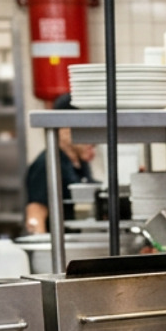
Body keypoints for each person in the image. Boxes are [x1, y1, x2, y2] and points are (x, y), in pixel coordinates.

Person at [24, 92, 97, 235]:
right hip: (57, 248)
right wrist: (45, 253)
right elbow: (35, 214)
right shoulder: (48, 164)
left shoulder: (79, 164)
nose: (93, 141)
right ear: (65, 130)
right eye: (86, 130)